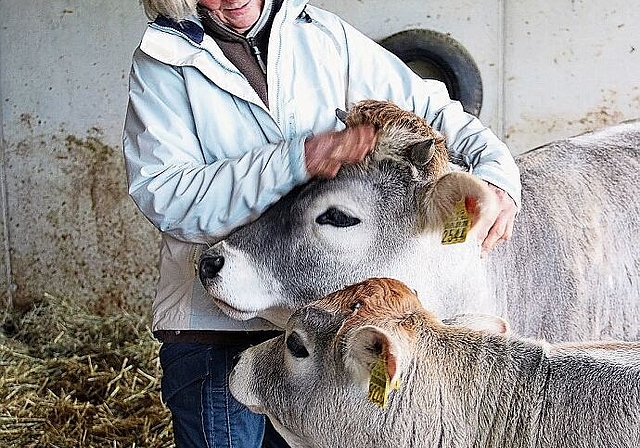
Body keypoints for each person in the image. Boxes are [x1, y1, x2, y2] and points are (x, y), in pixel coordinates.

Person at [122, 0, 521, 447]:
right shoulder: (164, 60)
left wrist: (498, 177)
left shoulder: (322, 35)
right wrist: (299, 158)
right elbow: (166, 196)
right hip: (217, 326)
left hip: (317, 336)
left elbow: (438, 112)